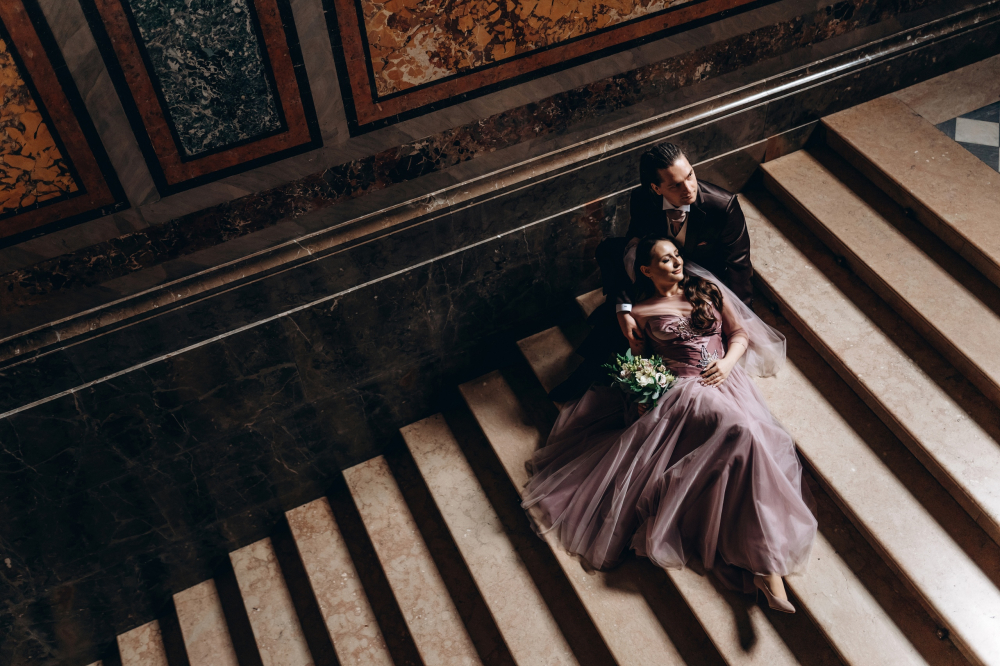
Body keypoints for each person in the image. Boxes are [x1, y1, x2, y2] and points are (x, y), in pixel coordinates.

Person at [523, 236, 816, 611]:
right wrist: (641, 385)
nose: (676, 262)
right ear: (647, 270)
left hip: (726, 380)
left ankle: (764, 564)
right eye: (665, 259)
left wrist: (727, 363)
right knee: (743, 432)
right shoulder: (640, 312)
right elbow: (642, 360)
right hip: (684, 390)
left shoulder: (707, 290)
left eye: (677, 255)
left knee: (748, 447)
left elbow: (739, 333)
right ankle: (767, 567)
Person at [550, 142, 753, 401]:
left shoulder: (722, 206)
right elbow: (633, 257)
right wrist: (623, 309)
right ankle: (587, 373)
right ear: (656, 188)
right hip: (658, 273)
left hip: (699, 285)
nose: (689, 188)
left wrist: (735, 321)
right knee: (621, 316)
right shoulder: (643, 200)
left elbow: (739, 267)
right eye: (675, 185)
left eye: (690, 175)